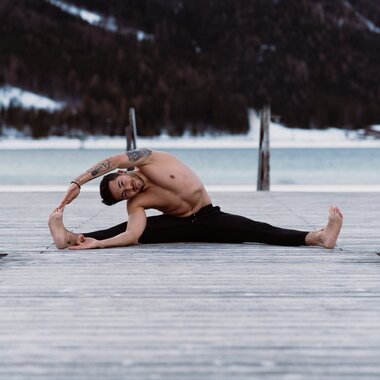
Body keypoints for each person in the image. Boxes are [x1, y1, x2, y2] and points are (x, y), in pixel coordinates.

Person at [48, 148, 343, 250]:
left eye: (124, 183)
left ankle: (318, 237)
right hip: (179, 224)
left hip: (207, 216)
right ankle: (70, 238)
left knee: (258, 230)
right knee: (118, 231)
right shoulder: (136, 202)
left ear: (124, 172)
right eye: (124, 193)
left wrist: (78, 182)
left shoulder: (148, 159)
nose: (130, 190)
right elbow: (133, 236)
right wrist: (99, 245)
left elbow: (112, 160)